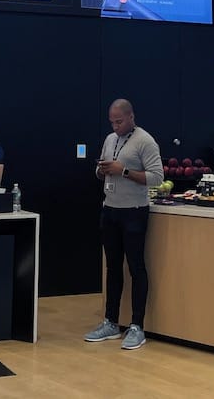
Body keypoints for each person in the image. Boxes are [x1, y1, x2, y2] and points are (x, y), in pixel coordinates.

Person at [84, 98, 163, 351]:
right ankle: (110, 322)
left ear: (131, 117)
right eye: (112, 122)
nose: (115, 126)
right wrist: (101, 171)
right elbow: (104, 166)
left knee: (136, 267)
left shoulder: (145, 141)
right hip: (111, 210)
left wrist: (124, 171)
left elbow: (156, 178)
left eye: (119, 121)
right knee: (112, 268)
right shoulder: (110, 139)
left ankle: (137, 326)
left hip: (134, 212)